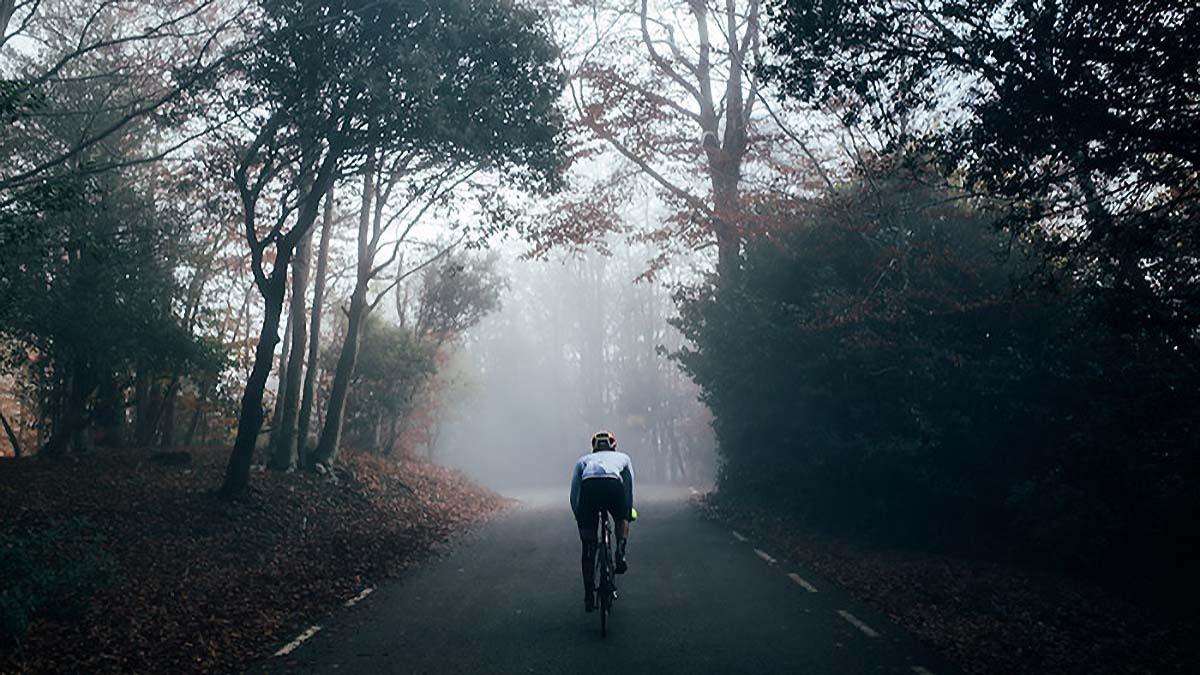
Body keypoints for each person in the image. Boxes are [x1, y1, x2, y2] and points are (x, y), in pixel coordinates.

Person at [569, 430, 634, 612]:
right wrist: (626, 513)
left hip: (590, 488)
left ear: (593, 448)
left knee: (588, 547)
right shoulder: (623, 458)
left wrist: (579, 516)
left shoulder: (583, 461)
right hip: (614, 487)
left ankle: (589, 595)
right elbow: (628, 487)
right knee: (621, 518)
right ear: (614, 446)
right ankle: (620, 550)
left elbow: (575, 493)